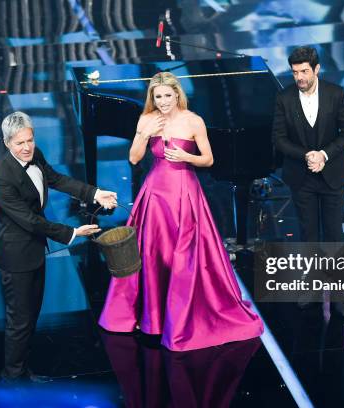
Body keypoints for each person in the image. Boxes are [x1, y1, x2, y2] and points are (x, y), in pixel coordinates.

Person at [98, 72, 264, 351]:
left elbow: (208, 159)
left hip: (184, 193)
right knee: (152, 253)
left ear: (177, 94)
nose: (163, 101)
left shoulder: (193, 120)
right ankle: (152, 316)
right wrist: (143, 134)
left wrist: (187, 157)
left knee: (185, 256)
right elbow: (134, 158)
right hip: (155, 193)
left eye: (167, 96)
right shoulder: (147, 120)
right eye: (158, 97)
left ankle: (183, 317)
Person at [0, 111, 117, 382]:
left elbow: (57, 179)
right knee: (19, 323)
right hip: (17, 258)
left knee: (30, 317)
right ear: (6, 143)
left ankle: (22, 371)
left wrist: (94, 193)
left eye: (29, 140)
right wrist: (72, 232)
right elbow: (31, 222)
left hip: (34, 252)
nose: (26, 148)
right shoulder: (1, 178)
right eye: (19, 143)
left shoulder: (34, 154)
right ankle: (11, 379)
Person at [271, 46, 344, 319]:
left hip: (333, 177)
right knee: (308, 235)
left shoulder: (335, 93)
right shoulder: (284, 98)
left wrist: (324, 154)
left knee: (334, 235)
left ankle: (339, 295)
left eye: (305, 71)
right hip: (301, 177)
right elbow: (279, 139)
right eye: (295, 72)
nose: (300, 77)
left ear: (317, 69)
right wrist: (306, 155)